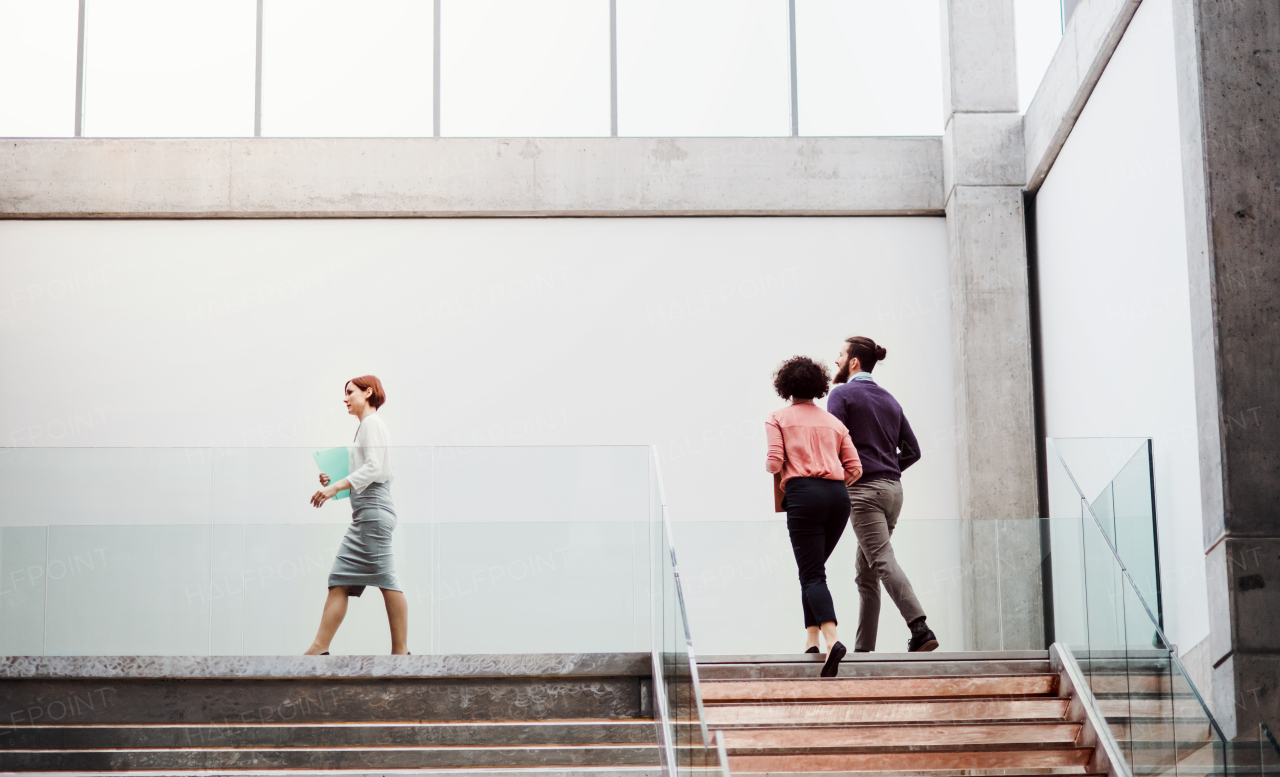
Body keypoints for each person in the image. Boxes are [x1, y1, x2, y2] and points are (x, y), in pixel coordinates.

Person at [828, 337, 938, 653]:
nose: (836, 360)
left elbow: (833, 446)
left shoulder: (842, 395)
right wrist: (886, 466)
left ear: (853, 362)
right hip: (893, 491)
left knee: (882, 559)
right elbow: (913, 451)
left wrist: (856, 473)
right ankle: (865, 651)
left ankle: (919, 627)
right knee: (866, 574)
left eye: (840, 354)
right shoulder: (890, 400)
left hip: (863, 492)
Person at [766, 356, 864, 677]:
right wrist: (833, 483)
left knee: (812, 574)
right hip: (838, 497)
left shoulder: (777, 418)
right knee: (812, 568)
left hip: (803, 495)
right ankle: (811, 641)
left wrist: (784, 471)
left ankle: (832, 639)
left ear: (785, 387)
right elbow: (855, 468)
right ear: (818, 386)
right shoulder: (835, 423)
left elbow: (773, 461)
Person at [305, 375, 409, 656]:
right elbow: (368, 472)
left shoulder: (372, 424)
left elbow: (375, 469)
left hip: (372, 512)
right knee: (345, 578)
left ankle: (399, 653)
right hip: (369, 512)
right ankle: (322, 648)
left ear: (368, 392)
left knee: (380, 578)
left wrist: (337, 486)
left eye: (350, 392)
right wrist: (334, 479)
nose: (345, 398)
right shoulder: (367, 427)